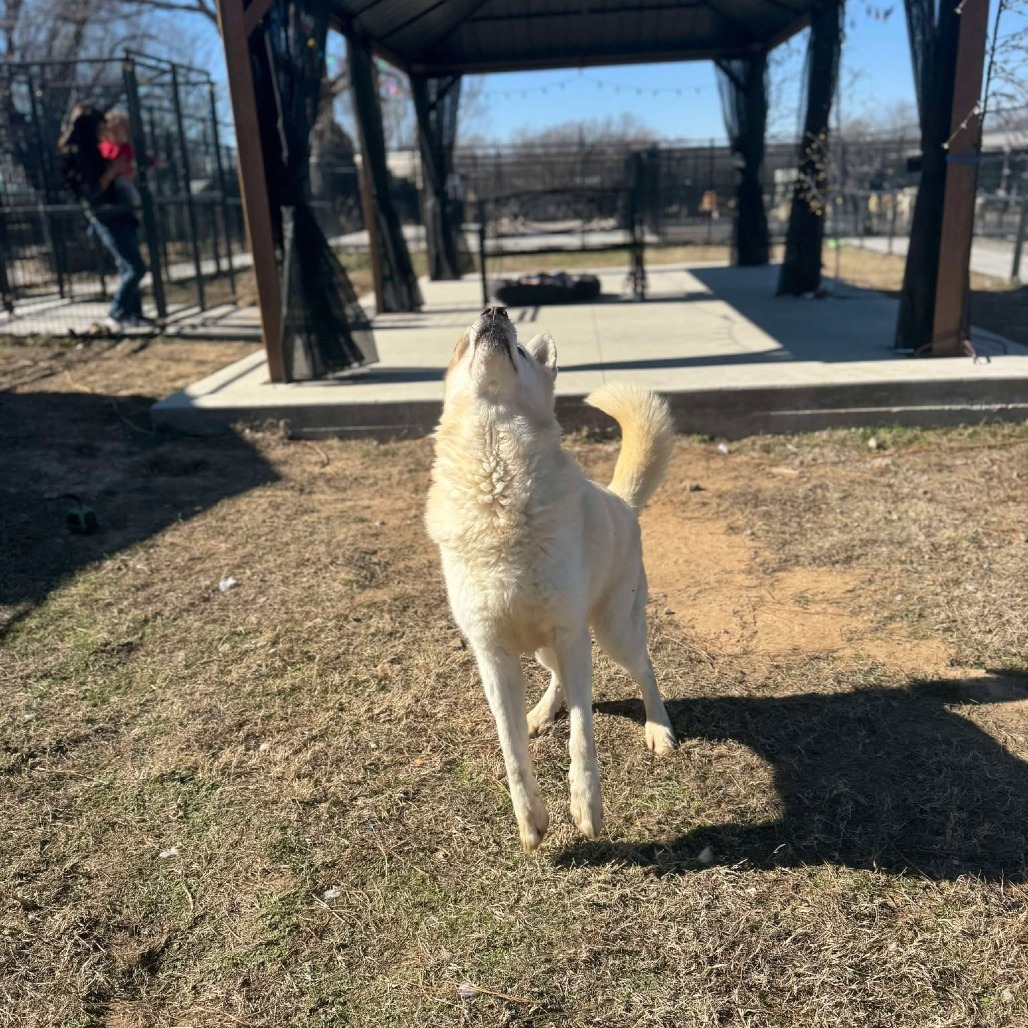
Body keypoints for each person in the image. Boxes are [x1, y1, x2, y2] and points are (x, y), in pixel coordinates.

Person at [58, 105, 153, 332]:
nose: (104, 132)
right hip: (105, 215)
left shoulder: (93, 150)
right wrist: (112, 171)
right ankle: (117, 312)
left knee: (126, 266)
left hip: (120, 212)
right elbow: (90, 192)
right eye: (101, 128)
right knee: (135, 268)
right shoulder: (78, 153)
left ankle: (134, 314)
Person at [98, 110, 141, 211]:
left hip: (122, 179)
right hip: (109, 181)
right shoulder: (104, 147)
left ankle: (136, 209)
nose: (117, 136)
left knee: (129, 191)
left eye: (120, 132)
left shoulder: (126, 148)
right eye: (113, 132)